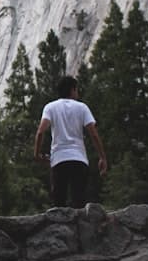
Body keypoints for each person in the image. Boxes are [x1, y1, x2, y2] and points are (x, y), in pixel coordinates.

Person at [34, 76, 109, 209]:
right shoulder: (82, 107)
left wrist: (37, 154)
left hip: (58, 159)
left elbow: (40, 132)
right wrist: (102, 157)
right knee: (79, 201)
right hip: (79, 158)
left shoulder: (50, 107)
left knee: (58, 203)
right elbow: (93, 134)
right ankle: (80, 229)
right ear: (73, 90)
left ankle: (59, 229)